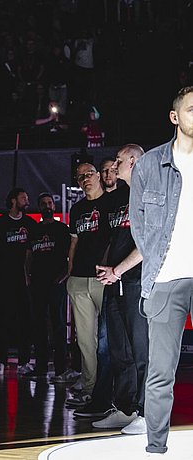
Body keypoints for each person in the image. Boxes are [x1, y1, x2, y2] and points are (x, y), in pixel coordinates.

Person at [130, 86, 193, 454]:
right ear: (175, 116)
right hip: (166, 279)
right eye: (192, 109)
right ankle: (156, 448)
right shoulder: (150, 165)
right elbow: (138, 224)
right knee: (160, 372)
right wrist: (155, 260)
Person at [91, 144, 147, 434]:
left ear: (133, 161)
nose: (114, 166)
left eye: (119, 161)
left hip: (137, 282)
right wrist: (108, 268)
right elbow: (116, 239)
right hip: (116, 283)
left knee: (141, 351)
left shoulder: (149, 192)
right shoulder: (123, 198)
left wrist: (118, 270)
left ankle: (146, 413)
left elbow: (148, 243)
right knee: (119, 350)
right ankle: (126, 409)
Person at [65, 163, 112, 406]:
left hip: (104, 278)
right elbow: (73, 243)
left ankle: (113, 392)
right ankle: (90, 388)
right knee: (85, 339)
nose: (85, 179)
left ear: (99, 176)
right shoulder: (76, 209)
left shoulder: (112, 202)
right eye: (80, 177)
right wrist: (70, 273)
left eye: (89, 174)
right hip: (79, 280)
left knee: (110, 339)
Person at [0, 188, 37, 376]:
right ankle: (0, 360)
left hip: (23, 281)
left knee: (25, 321)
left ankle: (24, 362)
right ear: (13, 200)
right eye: (24, 197)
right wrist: (3, 268)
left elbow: (32, 252)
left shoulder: (30, 224)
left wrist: (26, 273)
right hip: (3, 281)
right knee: (2, 321)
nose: (27, 200)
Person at [26, 193, 70, 378]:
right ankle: (41, 367)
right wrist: (27, 277)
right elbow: (28, 256)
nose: (47, 206)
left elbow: (71, 254)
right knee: (39, 325)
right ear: (39, 207)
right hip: (38, 283)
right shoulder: (34, 230)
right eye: (43, 203)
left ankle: (60, 369)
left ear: (54, 206)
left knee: (58, 325)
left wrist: (64, 276)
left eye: (49, 203)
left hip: (57, 282)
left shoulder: (62, 229)